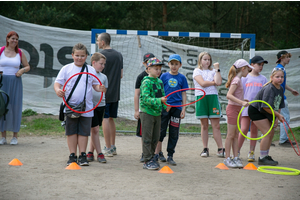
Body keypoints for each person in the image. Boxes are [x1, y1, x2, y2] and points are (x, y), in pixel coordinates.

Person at [54, 43, 105, 166]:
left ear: (86, 56)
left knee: (84, 132)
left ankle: (82, 155)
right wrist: (58, 91)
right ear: (72, 55)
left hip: (86, 107)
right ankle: (72, 155)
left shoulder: (90, 69)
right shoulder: (66, 69)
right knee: (71, 131)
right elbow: (57, 83)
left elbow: (95, 85)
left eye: (82, 56)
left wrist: (100, 88)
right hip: (70, 106)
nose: (79, 58)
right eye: (77, 55)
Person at [154, 54, 188, 166]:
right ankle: (158, 153)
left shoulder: (182, 78)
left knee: (174, 132)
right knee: (161, 131)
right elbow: (159, 92)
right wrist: (162, 104)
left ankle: (170, 155)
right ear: (168, 64)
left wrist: (183, 108)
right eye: (172, 64)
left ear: (180, 65)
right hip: (165, 108)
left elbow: (184, 94)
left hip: (176, 109)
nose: (174, 66)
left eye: (176, 64)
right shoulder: (163, 76)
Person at [248, 68, 285, 165]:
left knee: (271, 132)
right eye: (277, 77)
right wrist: (277, 115)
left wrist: (276, 118)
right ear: (271, 78)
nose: (280, 79)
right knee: (267, 132)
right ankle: (262, 158)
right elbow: (265, 107)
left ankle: (266, 155)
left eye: (282, 77)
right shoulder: (270, 88)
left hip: (266, 112)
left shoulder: (280, 89)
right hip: (256, 110)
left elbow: (279, 105)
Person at [0, 31, 30, 145]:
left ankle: (15, 136)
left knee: (15, 107)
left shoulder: (20, 53)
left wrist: (22, 70)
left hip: (15, 81)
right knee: (2, 107)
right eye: (12, 38)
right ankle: (3, 136)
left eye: (16, 39)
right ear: (7, 39)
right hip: (2, 82)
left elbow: (27, 66)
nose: (14, 41)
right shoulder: (1, 50)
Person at [192, 52, 224, 158]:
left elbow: (219, 82)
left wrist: (217, 69)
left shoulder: (214, 71)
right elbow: (203, 83)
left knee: (216, 125)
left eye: (209, 59)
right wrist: (213, 82)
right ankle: (205, 149)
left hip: (213, 98)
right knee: (204, 125)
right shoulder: (197, 71)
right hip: (201, 98)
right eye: (205, 59)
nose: (207, 61)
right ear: (200, 60)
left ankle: (220, 149)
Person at [96, 32, 123, 157]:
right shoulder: (119, 55)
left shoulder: (99, 56)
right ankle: (112, 147)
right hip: (115, 92)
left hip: (103, 92)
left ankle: (107, 148)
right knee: (111, 118)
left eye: (98, 41)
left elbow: (95, 75)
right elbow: (121, 75)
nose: (97, 43)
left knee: (105, 119)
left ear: (102, 42)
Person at [223, 59, 254, 168]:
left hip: (237, 109)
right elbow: (229, 95)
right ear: (243, 69)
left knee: (236, 135)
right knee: (231, 135)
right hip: (232, 109)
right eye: (248, 70)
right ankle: (227, 158)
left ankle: (235, 157)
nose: (249, 72)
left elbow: (235, 95)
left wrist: (242, 100)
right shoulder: (236, 80)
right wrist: (241, 102)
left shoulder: (238, 79)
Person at [238, 56, 268, 162]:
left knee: (254, 130)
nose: (261, 67)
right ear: (252, 65)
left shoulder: (263, 79)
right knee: (244, 129)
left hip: (257, 109)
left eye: (262, 65)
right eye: (259, 64)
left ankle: (251, 152)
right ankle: (236, 151)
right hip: (246, 108)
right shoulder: (245, 77)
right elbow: (240, 92)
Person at [140, 57, 167, 170]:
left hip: (157, 114)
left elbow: (163, 95)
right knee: (147, 137)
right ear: (148, 69)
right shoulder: (146, 82)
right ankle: (147, 160)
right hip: (147, 113)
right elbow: (146, 99)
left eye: (159, 68)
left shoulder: (160, 81)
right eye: (156, 68)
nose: (158, 71)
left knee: (155, 137)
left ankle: (152, 157)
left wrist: (165, 106)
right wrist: (159, 101)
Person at [86, 52, 108, 163]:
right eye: (101, 63)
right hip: (91, 106)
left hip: (101, 105)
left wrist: (103, 89)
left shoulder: (104, 77)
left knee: (95, 129)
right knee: (94, 129)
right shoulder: (88, 73)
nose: (103, 66)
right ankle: (99, 153)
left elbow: (105, 90)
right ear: (93, 63)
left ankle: (90, 152)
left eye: (104, 64)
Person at [134, 52, 156, 162]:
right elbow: (137, 94)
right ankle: (145, 153)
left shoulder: (158, 75)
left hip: (156, 110)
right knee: (145, 133)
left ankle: (156, 153)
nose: (150, 64)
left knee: (156, 134)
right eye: (148, 62)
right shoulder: (141, 77)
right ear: (144, 64)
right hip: (145, 111)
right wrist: (136, 110)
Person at [275, 51, 299, 146]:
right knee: (285, 118)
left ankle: (280, 138)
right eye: (287, 57)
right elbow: (275, 83)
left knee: (278, 118)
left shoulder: (280, 69)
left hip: (280, 96)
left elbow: (283, 83)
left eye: (289, 57)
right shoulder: (279, 69)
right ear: (281, 58)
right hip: (280, 97)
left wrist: (291, 90)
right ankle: (283, 140)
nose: (289, 59)